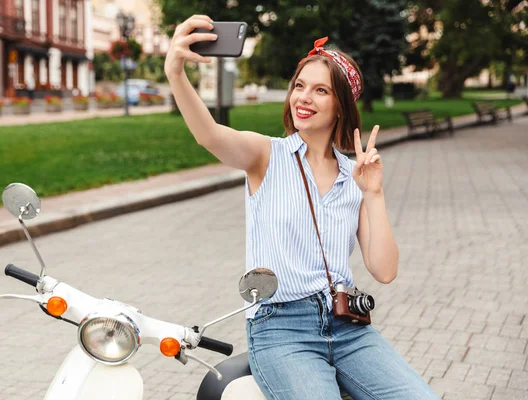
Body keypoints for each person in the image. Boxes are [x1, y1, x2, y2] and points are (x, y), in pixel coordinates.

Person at [165, 15, 440, 400]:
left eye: (320, 91)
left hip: (348, 327)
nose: (303, 98)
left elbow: (384, 270)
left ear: (340, 106)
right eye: (299, 86)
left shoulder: (353, 176)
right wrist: (176, 72)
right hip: (281, 328)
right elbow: (208, 134)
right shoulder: (266, 155)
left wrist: (374, 194)